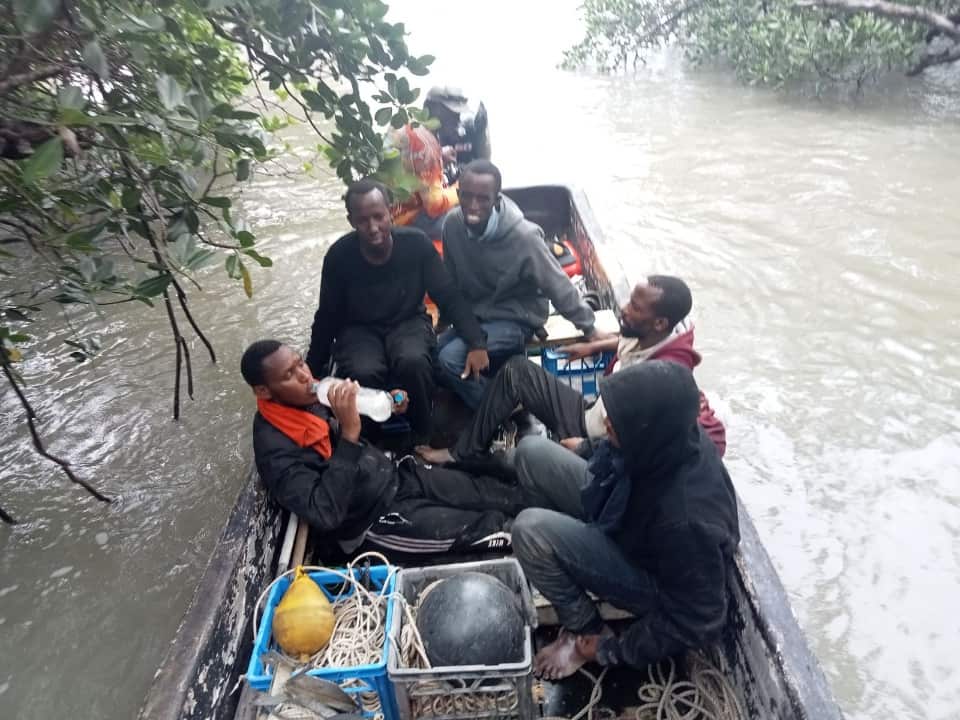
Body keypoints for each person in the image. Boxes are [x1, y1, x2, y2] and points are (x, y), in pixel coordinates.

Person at [510, 361, 740, 679]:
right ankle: (564, 562)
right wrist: (589, 448)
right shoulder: (671, 433)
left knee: (530, 531)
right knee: (531, 451)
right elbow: (622, 448)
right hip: (627, 511)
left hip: (650, 575)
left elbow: (699, 618)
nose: (606, 421)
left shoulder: (686, 521)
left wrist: (612, 650)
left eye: (616, 422)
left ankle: (585, 631)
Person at [243, 340, 522, 554]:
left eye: (300, 363)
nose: (304, 376)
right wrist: (350, 437)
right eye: (289, 374)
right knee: (493, 528)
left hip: (394, 475)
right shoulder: (275, 448)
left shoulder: (312, 392)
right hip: (373, 520)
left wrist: (388, 402)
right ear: (263, 391)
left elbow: (361, 402)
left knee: (491, 491)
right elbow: (325, 513)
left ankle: (556, 502)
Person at [417, 275, 725, 464]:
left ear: (659, 323)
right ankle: (461, 452)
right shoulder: (648, 336)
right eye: (629, 301)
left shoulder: (667, 377)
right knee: (517, 369)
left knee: (518, 461)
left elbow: (664, 442)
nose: (624, 310)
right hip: (590, 415)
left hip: (599, 447)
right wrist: (594, 346)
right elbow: (631, 345)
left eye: (635, 309)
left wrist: (589, 449)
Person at [305, 178, 488, 444]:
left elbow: (448, 296)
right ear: (351, 220)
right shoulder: (338, 257)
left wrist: (475, 341)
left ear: (391, 211)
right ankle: (368, 441)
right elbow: (327, 317)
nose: (373, 227)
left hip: (408, 320)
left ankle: (423, 433)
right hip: (358, 329)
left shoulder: (416, 245)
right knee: (363, 371)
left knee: (412, 361)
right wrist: (312, 369)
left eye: (379, 216)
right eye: (363, 220)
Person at [437, 159, 598, 409]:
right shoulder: (452, 225)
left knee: (450, 359)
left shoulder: (524, 237)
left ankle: (504, 409)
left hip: (515, 318)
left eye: (483, 199)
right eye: (466, 197)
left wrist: (589, 328)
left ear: (496, 200)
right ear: (457, 194)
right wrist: (446, 322)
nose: (473, 206)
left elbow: (556, 284)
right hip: (474, 316)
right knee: (433, 355)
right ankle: (497, 393)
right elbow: (451, 281)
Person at [423, 86, 490, 184]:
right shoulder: (416, 138)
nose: (457, 118)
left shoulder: (468, 131)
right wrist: (439, 159)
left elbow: (485, 166)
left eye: (457, 114)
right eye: (450, 113)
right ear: (434, 109)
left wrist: (482, 132)